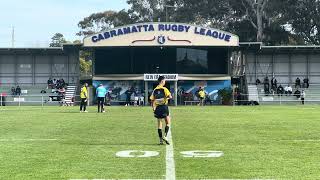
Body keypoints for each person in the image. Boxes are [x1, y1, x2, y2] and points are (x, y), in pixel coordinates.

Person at [150, 76, 172, 145]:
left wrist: (153, 108)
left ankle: (160, 141)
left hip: (157, 108)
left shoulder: (155, 90)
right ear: (162, 81)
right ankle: (165, 136)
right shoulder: (164, 89)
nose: (165, 82)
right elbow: (170, 96)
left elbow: (152, 100)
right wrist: (166, 98)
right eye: (164, 81)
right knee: (168, 122)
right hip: (164, 107)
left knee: (159, 124)